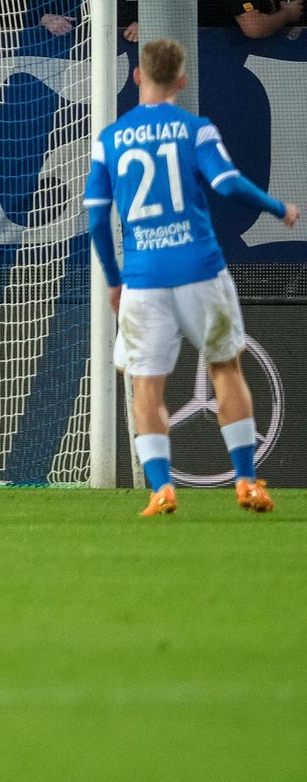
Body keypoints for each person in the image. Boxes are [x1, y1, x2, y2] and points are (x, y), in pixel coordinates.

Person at [88, 38, 295, 517]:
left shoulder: (110, 140)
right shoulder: (194, 129)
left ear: (138, 76)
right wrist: (277, 207)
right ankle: (245, 481)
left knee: (146, 384)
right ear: (181, 81)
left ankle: (161, 487)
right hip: (200, 269)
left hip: (143, 278)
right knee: (225, 367)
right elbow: (226, 184)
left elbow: (98, 219)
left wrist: (114, 279)